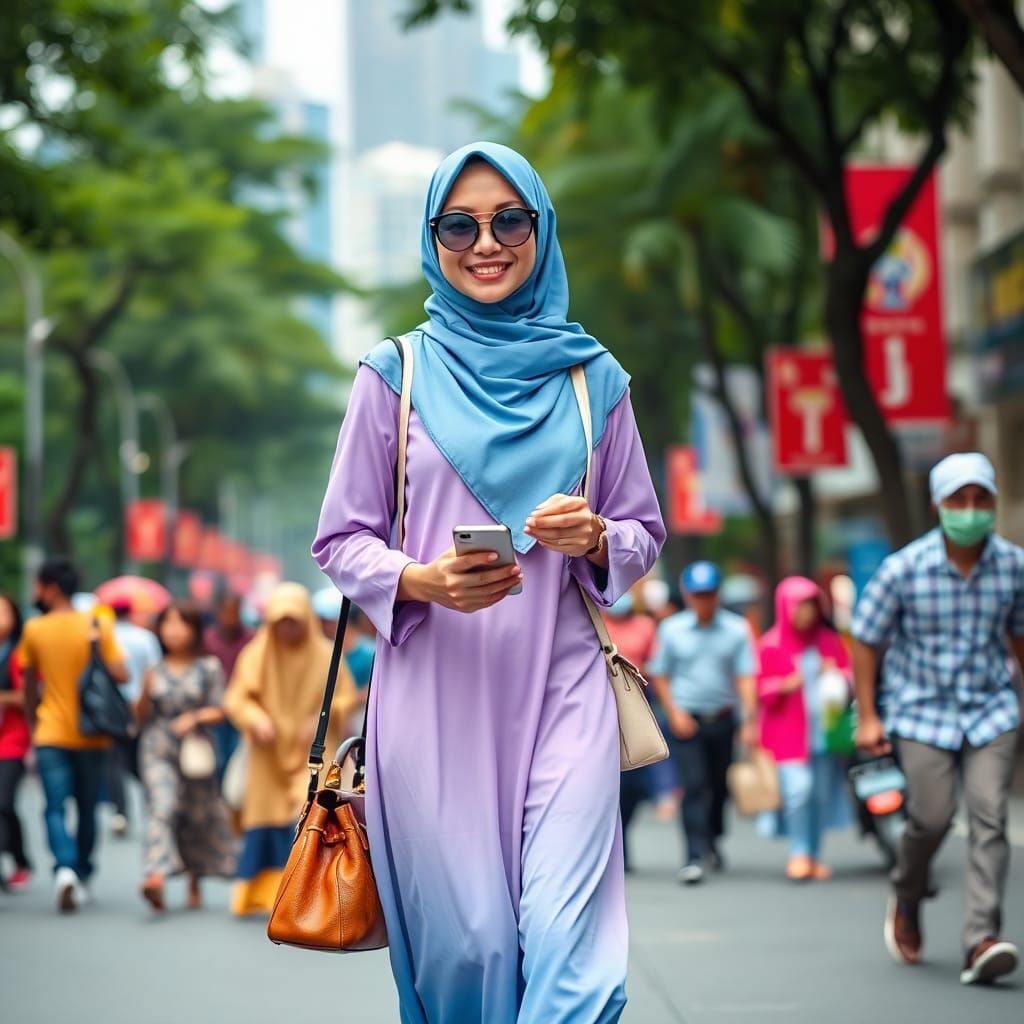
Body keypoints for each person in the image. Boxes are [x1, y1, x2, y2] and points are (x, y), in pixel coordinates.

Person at [312, 142, 665, 1023]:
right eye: (458, 224)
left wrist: (593, 536)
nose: (486, 243)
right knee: (468, 948)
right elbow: (341, 539)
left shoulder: (595, 380)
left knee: (572, 949)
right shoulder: (393, 376)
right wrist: (421, 579)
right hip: (434, 698)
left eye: (510, 220)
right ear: (431, 239)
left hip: (565, 688)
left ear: (541, 230)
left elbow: (642, 531)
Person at [852, 452, 1024, 986]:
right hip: (920, 710)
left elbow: (1018, 636)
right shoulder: (904, 568)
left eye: (980, 499)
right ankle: (907, 893)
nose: (970, 510)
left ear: (993, 503)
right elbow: (865, 638)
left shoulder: (1014, 566)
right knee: (930, 816)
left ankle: (981, 938)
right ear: (938, 506)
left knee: (990, 815)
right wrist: (868, 716)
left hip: (991, 707)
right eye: (959, 500)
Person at [223, 582, 356, 916]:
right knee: (265, 820)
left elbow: (345, 697)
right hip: (267, 755)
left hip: (314, 751)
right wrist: (255, 718)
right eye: (280, 621)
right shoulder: (257, 653)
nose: (286, 628)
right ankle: (265, 894)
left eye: (293, 620)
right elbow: (237, 698)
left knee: (309, 812)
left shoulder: (326, 654)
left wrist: (322, 718)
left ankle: (307, 894)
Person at [16, 557, 128, 911]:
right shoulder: (96, 623)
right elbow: (121, 674)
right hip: (92, 733)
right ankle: (81, 871)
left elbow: (29, 683)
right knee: (87, 806)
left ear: (50, 588)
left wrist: (34, 724)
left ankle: (63, 868)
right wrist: (94, 646)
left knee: (53, 806)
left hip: (50, 731)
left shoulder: (35, 629)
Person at [649, 561, 758, 884]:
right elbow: (660, 675)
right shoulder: (672, 629)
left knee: (719, 786)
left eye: (709, 594)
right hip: (687, 721)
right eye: (697, 595)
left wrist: (749, 720)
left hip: (723, 719)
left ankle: (712, 837)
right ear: (687, 595)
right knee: (694, 786)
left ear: (717, 594)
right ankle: (693, 856)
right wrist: (674, 712)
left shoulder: (737, 629)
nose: (703, 601)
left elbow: (745, 677)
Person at [135, 601, 237, 912]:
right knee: (162, 808)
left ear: (194, 630)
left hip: (196, 751)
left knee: (196, 815)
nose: (174, 630)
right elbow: (140, 717)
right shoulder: (154, 670)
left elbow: (222, 709)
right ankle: (156, 876)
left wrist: (195, 718)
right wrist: (144, 692)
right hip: (158, 749)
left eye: (182, 623)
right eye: (168, 623)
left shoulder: (208, 667)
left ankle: (194, 878)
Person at [755, 576, 854, 881]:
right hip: (788, 736)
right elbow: (758, 689)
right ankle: (798, 852)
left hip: (826, 732)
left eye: (811, 606)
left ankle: (814, 854)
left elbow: (851, 676)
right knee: (799, 792)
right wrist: (784, 685)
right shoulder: (771, 644)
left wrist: (839, 675)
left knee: (821, 796)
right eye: (800, 607)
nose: (806, 614)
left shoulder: (829, 641)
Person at [605, 592, 670, 869]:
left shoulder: (645, 625)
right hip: (603, 701)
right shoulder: (596, 618)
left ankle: (624, 831)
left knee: (633, 781)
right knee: (608, 779)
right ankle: (615, 848)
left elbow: (657, 666)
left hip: (638, 702)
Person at [106, 598, 162, 837]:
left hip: (111, 708)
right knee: (142, 762)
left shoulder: (106, 639)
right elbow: (156, 671)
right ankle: (153, 807)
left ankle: (121, 812)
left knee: (114, 764)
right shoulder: (144, 638)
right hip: (141, 705)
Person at [0, 593, 32, 891]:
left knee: (4, 802)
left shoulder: (19, 655)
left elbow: (29, 697)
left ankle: (21, 859)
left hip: (12, 738)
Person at [203, 593, 253, 774]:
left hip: (241, 707)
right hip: (215, 708)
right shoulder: (208, 639)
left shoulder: (252, 639)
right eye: (226, 611)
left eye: (234, 611)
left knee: (235, 754)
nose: (230, 616)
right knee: (216, 754)